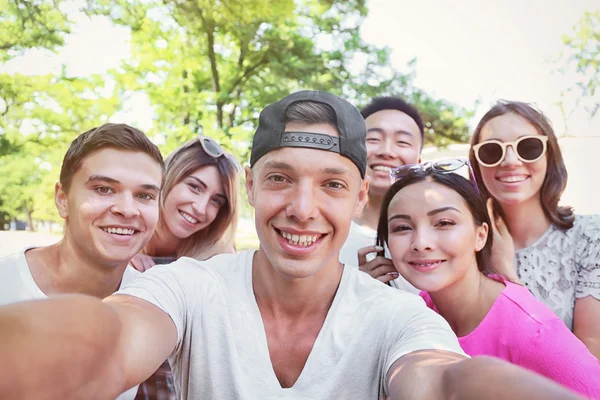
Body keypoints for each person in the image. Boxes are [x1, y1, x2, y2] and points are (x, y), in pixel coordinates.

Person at [0, 91, 586, 400]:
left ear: (360, 197)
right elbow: (114, 337)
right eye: (280, 178)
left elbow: (436, 378)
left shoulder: (398, 316)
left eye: (331, 184)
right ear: (251, 186)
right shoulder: (189, 284)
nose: (302, 208)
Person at [375, 160, 600, 398]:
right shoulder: (420, 309)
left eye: (444, 223)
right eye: (401, 228)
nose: (421, 243)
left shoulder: (534, 332)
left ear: (481, 235)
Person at [0, 123, 164, 400]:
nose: (127, 209)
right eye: (103, 189)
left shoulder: (153, 301)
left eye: (144, 195)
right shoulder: (5, 282)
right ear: (62, 199)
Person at [469, 100, 600, 358]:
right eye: (492, 151)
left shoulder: (591, 237)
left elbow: (590, 366)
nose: (509, 160)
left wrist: (507, 276)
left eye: (528, 147)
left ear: (549, 155)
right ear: (477, 165)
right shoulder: (465, 246)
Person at [338, 96, 422, 290]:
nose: (386, 151)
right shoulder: (325, 233)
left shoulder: (438, 239)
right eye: (373, 139)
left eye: (402, 142)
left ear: (419, 162)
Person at [130, 135, 240, 272]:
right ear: (167, 178)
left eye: (216, 201)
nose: (201, 209)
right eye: (195, 187)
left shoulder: (219, 255)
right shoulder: (123, 222)